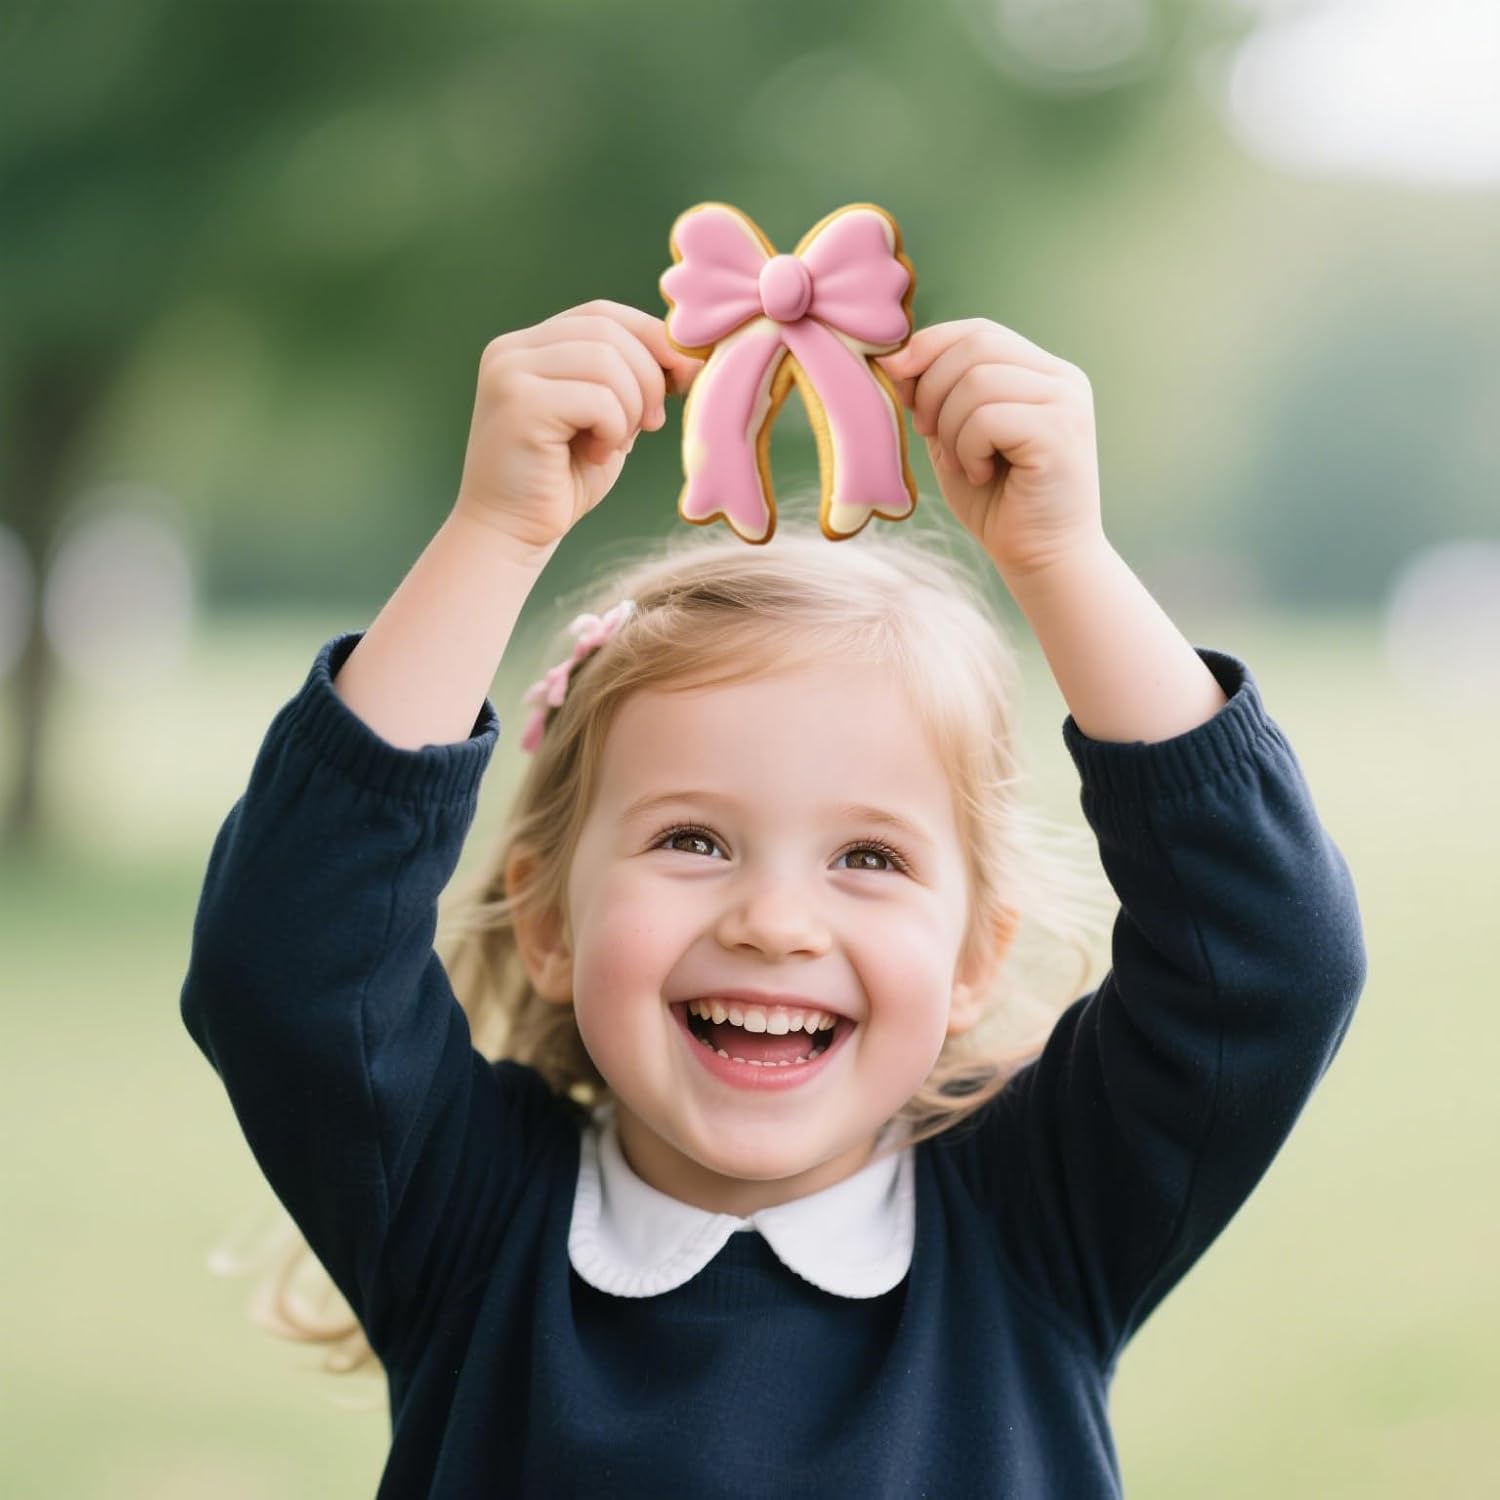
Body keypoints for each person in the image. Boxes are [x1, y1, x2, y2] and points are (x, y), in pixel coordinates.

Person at [179, 299, 1367, 1497]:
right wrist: (496, 529)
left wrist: (1063, 562)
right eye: (693, 839)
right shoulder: (461, 1217)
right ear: (547, 922)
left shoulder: (1037, 1224)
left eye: (869, 858)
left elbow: (1267, 963)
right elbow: (288, 959)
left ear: (972, 960)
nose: (775, 921)